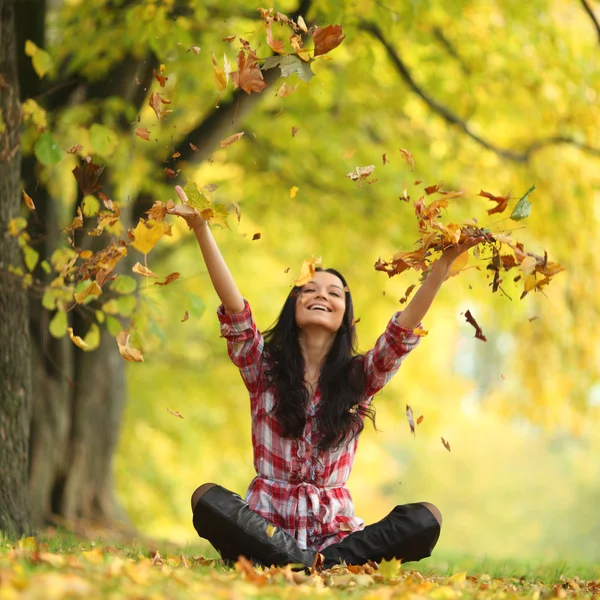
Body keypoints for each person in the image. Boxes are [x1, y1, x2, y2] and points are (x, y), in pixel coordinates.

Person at [168, 186, 480, 570]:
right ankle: (310, 563)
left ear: (345, 315)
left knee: (426, 517)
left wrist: (441, 269)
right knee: (206, 498)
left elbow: (400, 334)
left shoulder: (359, 379)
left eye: (335, 293)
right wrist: (201, 229)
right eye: (309, 290)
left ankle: (315, 562)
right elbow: (235, 311)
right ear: (293, 305)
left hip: (338, 538)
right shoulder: (263, 369)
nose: (321, 295)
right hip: (266, 531)